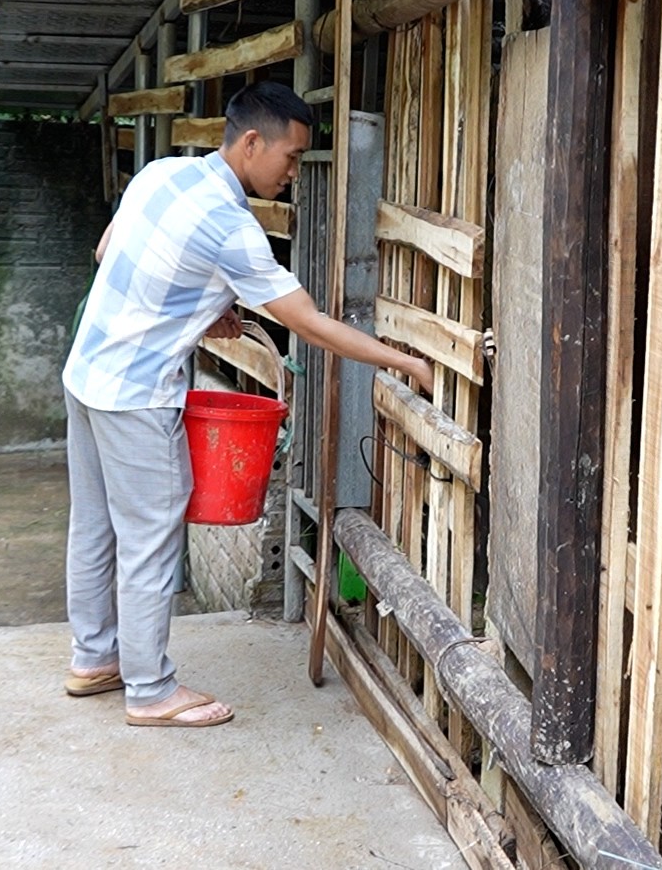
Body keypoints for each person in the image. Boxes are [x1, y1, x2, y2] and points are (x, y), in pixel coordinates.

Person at [59, 80, 429, 728]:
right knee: (149, 539)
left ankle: (94, 659)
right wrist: (402, 360)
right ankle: (149, 691)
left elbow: (107, 250)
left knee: (95, 526)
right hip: (137, 397)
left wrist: (201, 307)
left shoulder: (162, 173)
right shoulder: (232, 227)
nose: (293, 174)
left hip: (86, 373)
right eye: (290, 158)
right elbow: (309, 324)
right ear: (252, 142)